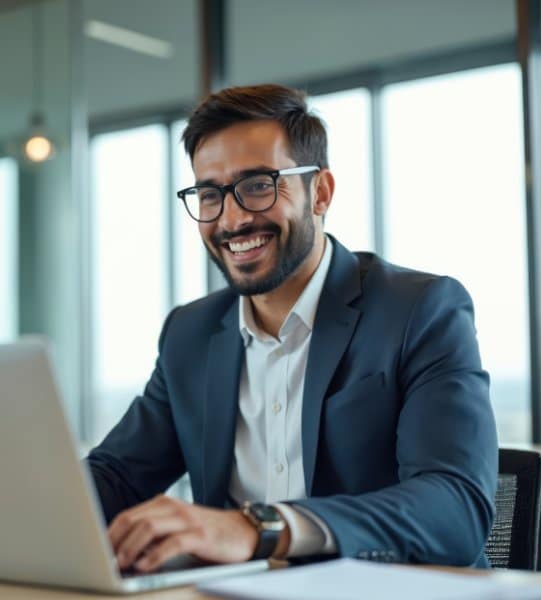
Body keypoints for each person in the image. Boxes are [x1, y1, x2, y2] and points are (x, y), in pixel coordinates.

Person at [86, 84, 498, 573]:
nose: (232, 219)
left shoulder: (420, 310)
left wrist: (260, 528)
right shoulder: (190, 334)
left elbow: (454, 508)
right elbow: (116, 476)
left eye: (258, 185)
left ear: (319, 192)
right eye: (209, 194)